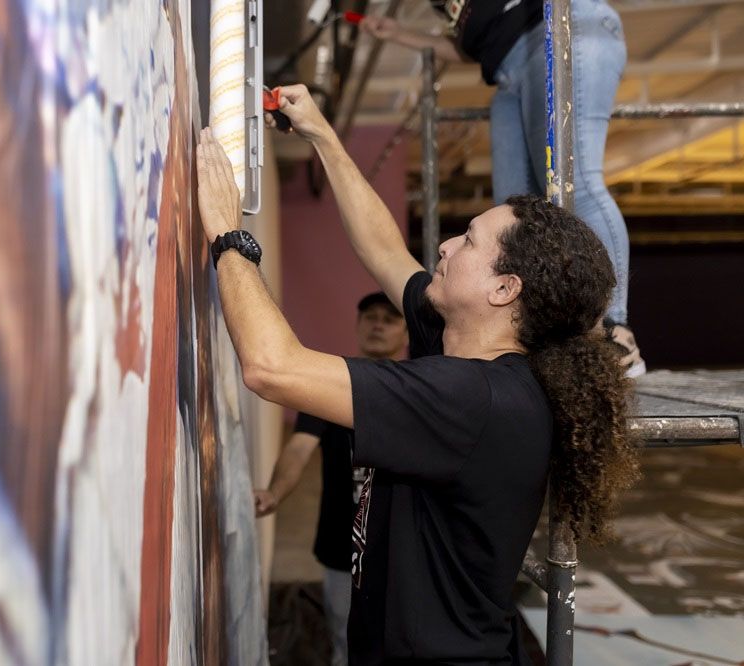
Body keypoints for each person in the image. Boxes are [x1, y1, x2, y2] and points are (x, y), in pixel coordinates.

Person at [195, 83, 639, 664]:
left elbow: (272, 368)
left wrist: (229, 238)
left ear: (503, 290)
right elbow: (383, 249)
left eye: (469, 239)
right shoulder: (466, 347)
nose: (448, 244)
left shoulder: (473, 399)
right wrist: (322, 133)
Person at [360, 0, 646, 377]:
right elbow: (478, 42)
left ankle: (615, 330)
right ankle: (542, 341)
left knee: (578, 185)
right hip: (506, 67)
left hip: (563, 28)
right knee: (512, 217)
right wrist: (399, 34)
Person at [254, 292, 408, 666]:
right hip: (343, 547)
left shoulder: (417, 387)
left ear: (405, 333)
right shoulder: (332, 385)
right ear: (357, 325)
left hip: (401, 548)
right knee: (346, 641)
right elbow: (299, 448)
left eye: (389, 319)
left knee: (400, 642)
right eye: (370, 316)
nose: (378, 324)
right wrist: (275, 492)